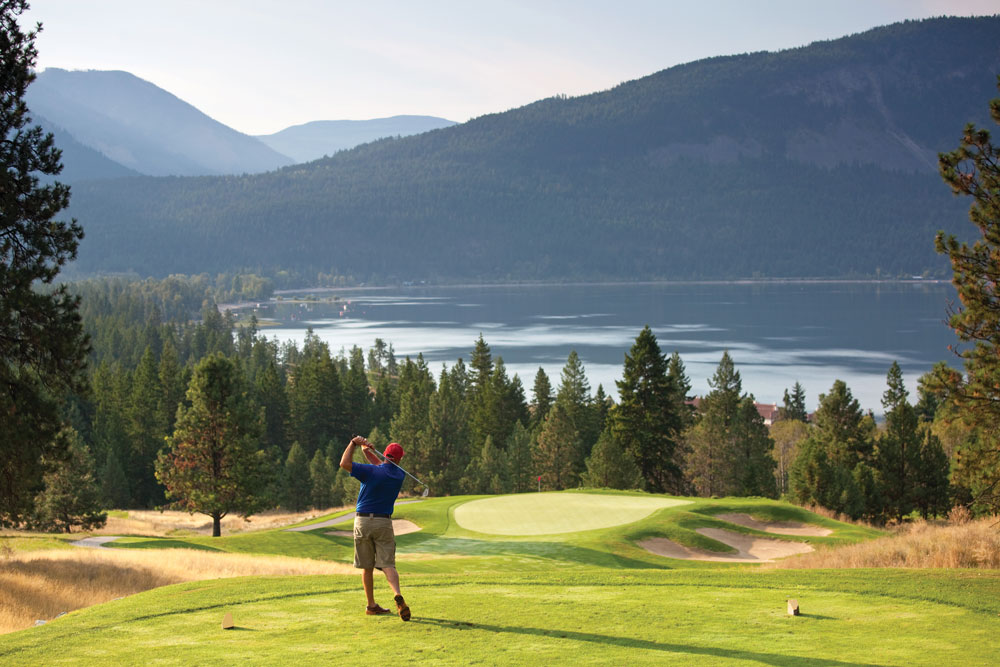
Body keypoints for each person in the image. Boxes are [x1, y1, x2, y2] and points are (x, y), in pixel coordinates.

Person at [339, 435, 411, 621]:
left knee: (367, 566)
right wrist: (366, 451)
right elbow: (383, 466)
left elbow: (344, 463)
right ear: (400, 459)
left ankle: (371, 605)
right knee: (388, 563)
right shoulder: (398, 475)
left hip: (363, 521)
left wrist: (354, 443)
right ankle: (396, 593)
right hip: (383, 522)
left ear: (385, 454)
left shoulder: (370, 472)